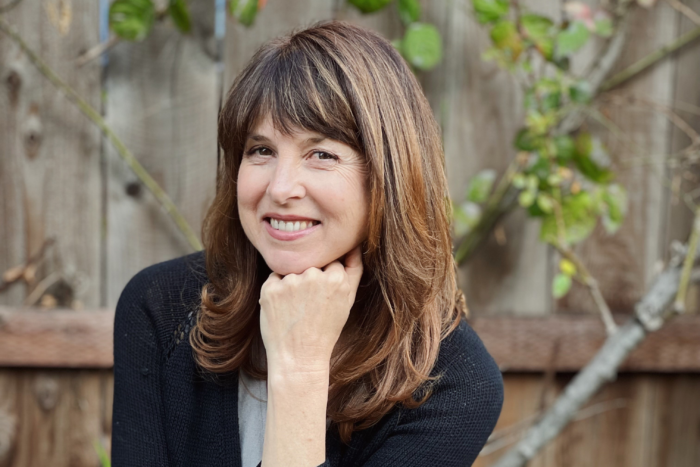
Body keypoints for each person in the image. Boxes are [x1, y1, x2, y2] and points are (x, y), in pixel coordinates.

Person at [111, 20, 503, 467]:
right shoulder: (162, 309)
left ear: (389, 177)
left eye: (322, 154)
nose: (280, 188)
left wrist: (300, 368)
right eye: (261, 150)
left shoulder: (453, 381)